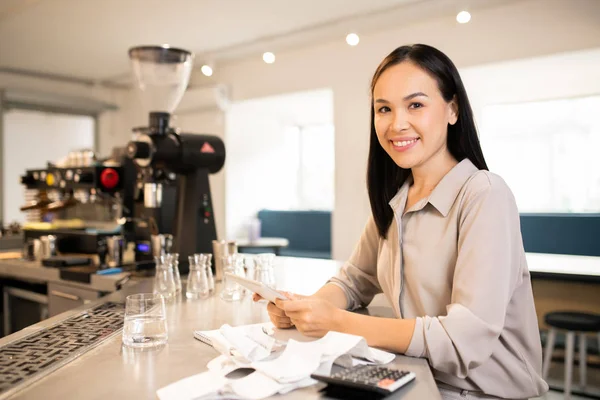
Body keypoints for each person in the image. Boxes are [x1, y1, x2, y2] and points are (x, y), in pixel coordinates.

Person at [253, 44, 548, 400]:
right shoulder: (396, 199)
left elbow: (463, 339)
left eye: (416, 105)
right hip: (417, 378)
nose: (397, 124)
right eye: (384, 109)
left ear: (452, 109)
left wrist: (335, 322)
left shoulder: (484, 194)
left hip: (486, 394)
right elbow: (353, 281)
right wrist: (309, 308)